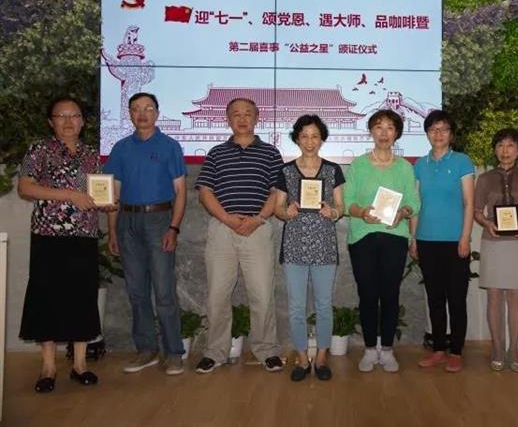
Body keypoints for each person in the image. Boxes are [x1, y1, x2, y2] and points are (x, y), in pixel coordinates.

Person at [18, 95, 103, 392]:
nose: (68, 121)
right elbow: (25, 187)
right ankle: (48, 367)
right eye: (61, 116)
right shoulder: (39, 150)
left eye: (74, 116)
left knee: (82, 296)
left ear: (83, 121)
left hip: (84, 236)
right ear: (51, 122)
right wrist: (69, 195)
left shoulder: (91, 154)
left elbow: (96, 192)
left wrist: (105, 203)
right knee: (47, 297)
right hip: (48, 235)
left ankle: (80, 364)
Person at [194, 98, 284, 374]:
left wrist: (258, 219)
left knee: (262, 294)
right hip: (222, 230)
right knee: (217, 295)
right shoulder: (216, 153)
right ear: (227, 119)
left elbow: (277, 193)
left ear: (257, 118)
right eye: (236, 114)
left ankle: (267, 350)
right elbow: (205, 192)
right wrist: (227, 219)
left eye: (247, 114)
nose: (242, 119)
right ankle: (215, 352)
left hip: (258, 229)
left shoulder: (270, 153)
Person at [105, 92, 187, 376]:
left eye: (148, 108)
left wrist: (173, 227)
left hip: (159, 220)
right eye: (136, 109)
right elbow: (113, 193)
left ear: (157, 113)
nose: (142, 114)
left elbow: (180, 191)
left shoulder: (169, 146)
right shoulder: (120, 148)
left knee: (164, 292)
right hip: (127, 221)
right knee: (136, 291)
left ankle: (173, 352)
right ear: (129, 114)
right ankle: (146, 349)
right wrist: (112, 230)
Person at [344, 109, 420, 373]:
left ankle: (387, 349)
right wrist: (362, 212)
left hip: (394, 236)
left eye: (389, 127)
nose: (384, 133)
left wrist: (403, 212)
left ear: (397, 133)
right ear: (371, 132)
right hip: (362, 237)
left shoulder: (404, 167)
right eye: (378, 127)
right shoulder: (358, 165)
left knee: (390, 294)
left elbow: (413, 201)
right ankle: (368, 349)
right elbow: (348, 202)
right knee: (367, 294)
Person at [274, 115, 345, 382]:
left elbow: (341, 207)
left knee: (324, 305)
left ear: (322, 139)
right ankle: (303, 359)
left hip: (324, 245)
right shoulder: (286, 171)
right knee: (296, 306)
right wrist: (286, 212)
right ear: (296, 139)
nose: (310, 141)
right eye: (304, 136)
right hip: (294, 246)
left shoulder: (333, 170)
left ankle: (322, 357)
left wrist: (332, 212)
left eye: (315, 136)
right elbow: (277, 207)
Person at [411, 110, 475, 373]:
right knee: (434, 298)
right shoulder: (420, 165)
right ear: (427, 134)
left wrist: (465, 237)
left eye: (444, 129)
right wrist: (413, 239)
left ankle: (456, 351)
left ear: (451, 134)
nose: (438, 134)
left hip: (454, 241)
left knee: (457, 299)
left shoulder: (462, 162)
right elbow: (416, 205)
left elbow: (469, 203)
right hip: (426, 240)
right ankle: (438, 349)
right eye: (433, 129)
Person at [474, 128, 518, 373]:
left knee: (514, 297)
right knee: (493, 296)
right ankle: (497, 347)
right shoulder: (485, 178)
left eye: (510, 145)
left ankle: (514, 349)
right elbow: (477, 211)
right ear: (495, 150)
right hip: (493, 241)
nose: (505, 150)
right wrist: (487, 223)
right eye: (500, 145)